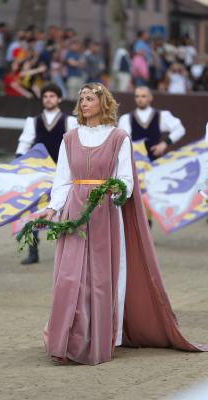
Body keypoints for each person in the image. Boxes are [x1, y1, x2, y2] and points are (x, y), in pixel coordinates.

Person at [35, 82, 207, 365]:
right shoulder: (69, 138)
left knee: (102, 279)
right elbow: (62, 180)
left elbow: (126, 179)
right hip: (74, 213)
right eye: (82, 99)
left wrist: (118, 190)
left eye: (90, 98)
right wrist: (52, 209)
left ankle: (105, 336)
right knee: (69, 277)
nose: (84, 103)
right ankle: (67, 336)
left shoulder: (119, 137)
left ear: (103, 103)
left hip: (105, 213)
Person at [15, 82, 77, 264]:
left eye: (52, 96)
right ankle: (33, 251)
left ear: (59, 99)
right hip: (39, 173)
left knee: (66, 209)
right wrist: (19, 165)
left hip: (64, 173)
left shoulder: (70, 121)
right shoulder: (32, 121)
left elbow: (76, 146)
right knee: (34, 208)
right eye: (45, 96)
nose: (48, 99)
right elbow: (24, 144)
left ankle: (67, 250)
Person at [118, 86, 186, 226]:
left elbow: (179, 128)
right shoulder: (127, 119)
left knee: (151, 196)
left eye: (143, 96)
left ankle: (147, 228)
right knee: (137, 197)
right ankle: (142, 229)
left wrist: (165, 144)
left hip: (155, 164)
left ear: (150, 98)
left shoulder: (161, 116)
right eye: (137, 96)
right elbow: (121, 141)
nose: (140, 99)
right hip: (135, 164)